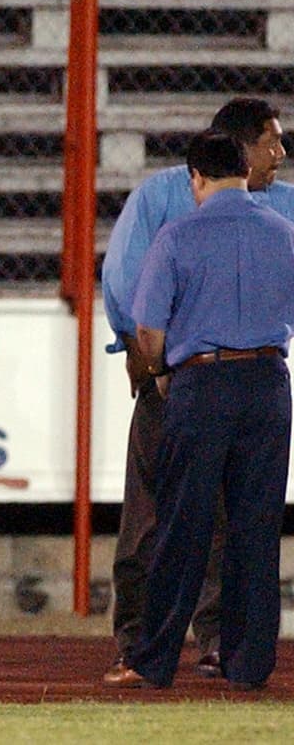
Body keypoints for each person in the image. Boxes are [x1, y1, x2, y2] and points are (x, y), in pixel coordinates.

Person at [100, 97, 292, 685]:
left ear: (198, 177)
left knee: (178, 525)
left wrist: (161, 372)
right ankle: (249, 663)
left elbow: (147, 325)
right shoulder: (285, 230)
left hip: (197, 384)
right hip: (267, 384)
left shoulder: (176, 232)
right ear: (244, 162)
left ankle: (151, 658)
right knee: (256, 529)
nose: (280, 155)